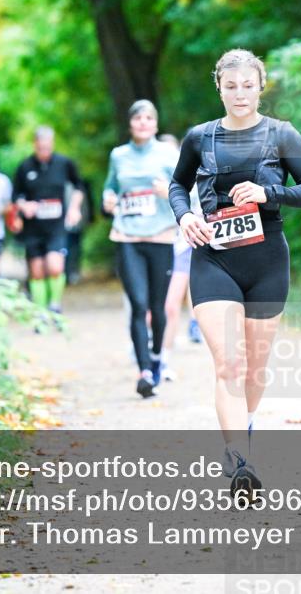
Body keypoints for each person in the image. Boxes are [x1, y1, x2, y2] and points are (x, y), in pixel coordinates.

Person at [169, 48, 301, 497]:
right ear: (218, 87)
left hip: (267, 259)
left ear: (261, 86)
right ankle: (240, 464)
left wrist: (267, 192)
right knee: (229, 364)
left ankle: (243, 431)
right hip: (214, 256)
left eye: (248, 85)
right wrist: (184, 217)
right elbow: (179, 184)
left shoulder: (282, 135)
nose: (240, 93)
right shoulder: (199, 137)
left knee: (255, 369)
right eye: (231, 85)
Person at [103, 101, 180, 399]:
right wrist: (108, 199)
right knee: (138, 303)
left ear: (156, 125)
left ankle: (157, 357)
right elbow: (110, 188)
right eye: (138, 117)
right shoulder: (118, 155)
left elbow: (187, 189)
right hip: (127, 235)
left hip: (160, 235)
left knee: (158, 308)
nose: (143, 122)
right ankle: (145, 371)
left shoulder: (168, 154)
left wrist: (169, 191)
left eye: (149, 118)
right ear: (130, 124)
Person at [13, 126, 84, 317]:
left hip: (56, 226)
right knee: (36, 272)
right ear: (35, 144)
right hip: (33, 228)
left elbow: (79, 186)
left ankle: (55, 304)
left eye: (47, 146)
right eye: (40, 147)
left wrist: (74, 208)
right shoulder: (24, 167)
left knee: (55, 266)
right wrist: (24, 206)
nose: (44, 150)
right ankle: (40, 311)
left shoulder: (64, 163)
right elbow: (16, 196)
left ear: (52, 144)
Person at [159, 133, 202, 382]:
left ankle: (164, 358)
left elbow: (197, 205)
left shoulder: (189, 176)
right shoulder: (147, 177)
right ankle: (149, 348)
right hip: (154, 244)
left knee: (171, 304)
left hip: (181, 245)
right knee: (157, 306)